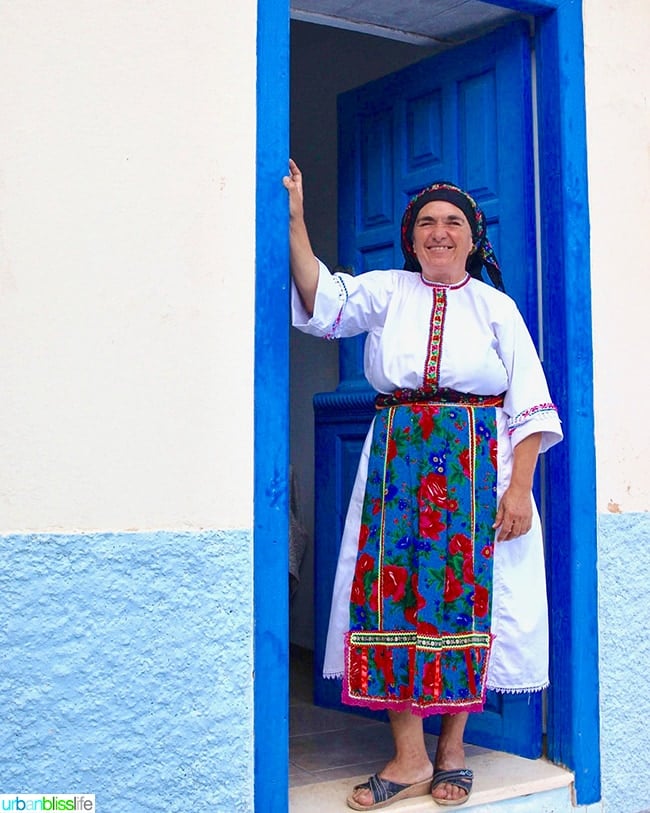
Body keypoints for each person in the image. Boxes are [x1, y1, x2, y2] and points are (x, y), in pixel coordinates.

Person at [284, 158, 562, 809]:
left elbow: (531, 406)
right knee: (391, 599)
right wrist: (296, 221)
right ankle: (408, 754)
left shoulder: (498, 308)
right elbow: (323, 300)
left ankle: (452, 750)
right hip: (397, 470)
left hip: (474, 471)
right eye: (429, 223)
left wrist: (519, 489)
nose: (441, 232)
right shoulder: (387, 291)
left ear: (472, 236)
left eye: (454, 223)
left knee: (466, 602)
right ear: (411, 237)